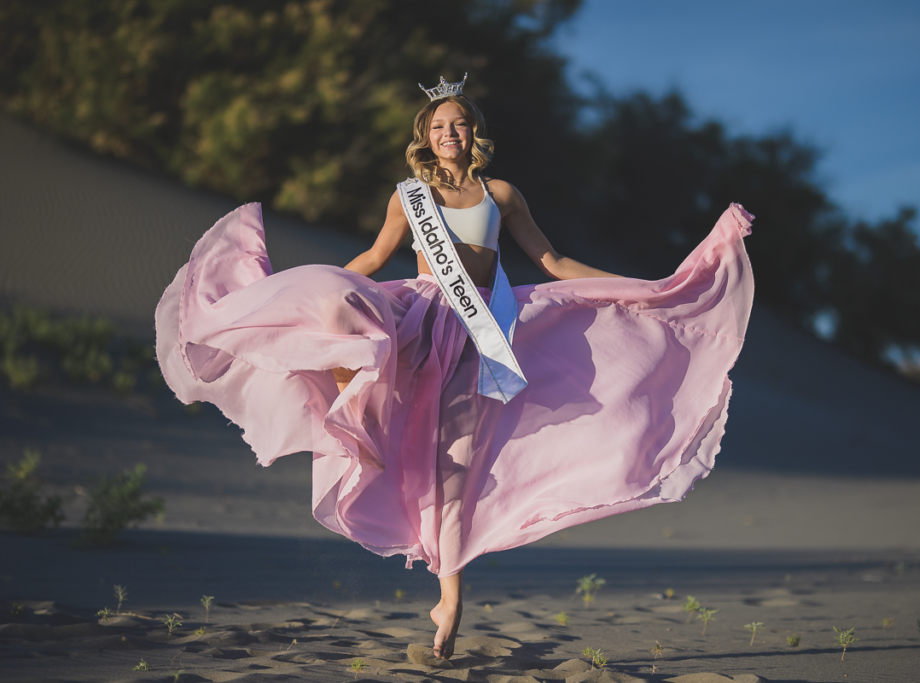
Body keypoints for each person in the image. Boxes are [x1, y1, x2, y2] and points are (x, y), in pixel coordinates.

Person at [155, 75, 755, 661]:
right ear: (425, 135)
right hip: (420, 323)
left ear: (474, 134)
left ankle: (449, 596)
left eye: (459, 124)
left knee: (455, 466)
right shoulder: (407, 196)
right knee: (347, 318)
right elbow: (372, 257)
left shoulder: (501, 195)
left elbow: (551, 259)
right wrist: (310, 300)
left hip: (478, 335)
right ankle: (353, 420)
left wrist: (635, 288)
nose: (449, 133)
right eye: (439, 126)